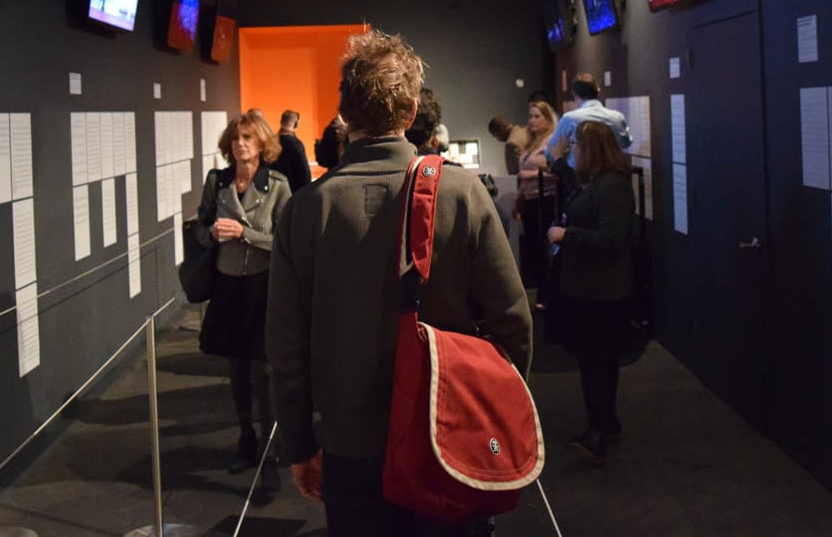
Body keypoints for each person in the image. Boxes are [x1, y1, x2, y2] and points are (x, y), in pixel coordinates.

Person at [267, 30, 531, 535]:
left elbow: (285, 346)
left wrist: (300, 445)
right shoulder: (462, 193)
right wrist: (492, 413)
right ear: (411, 112)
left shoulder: (303, 211)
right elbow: (512, 320)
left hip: (348, 445)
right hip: (449, 433)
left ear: (344, 114)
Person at [192, 110, 292, 493]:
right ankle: (245, 438)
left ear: (262, 143)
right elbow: (199, 227)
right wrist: (212, 235)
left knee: (263, 371)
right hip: (227, 284)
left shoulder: (277, 185)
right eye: (235, 138)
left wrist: (244, 233)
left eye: (248, 138)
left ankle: (270, 450)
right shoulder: (217, 181)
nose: (240, 144)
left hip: (262, 286)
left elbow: (285, 241)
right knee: (236, 367)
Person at [546, 121, 636, 467]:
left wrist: (566, 235)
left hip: (601, 293)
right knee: (599, 361)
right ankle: (606, 424)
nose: (573, 152)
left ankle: (597, 434)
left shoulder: (612, 187)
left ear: (590, 149)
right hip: (592, 289)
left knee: (595, 363)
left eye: (576, 146)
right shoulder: (600, 183)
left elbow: (611, 240)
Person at [513, 101, 558, 303]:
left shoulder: (551, 142)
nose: (532, 120)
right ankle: (542, 291)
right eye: (530, 116)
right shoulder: (532, 143)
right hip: (529, 201)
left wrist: (530, 175)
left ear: (547, 119)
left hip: (545, 200)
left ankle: (548, 294)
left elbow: (557, 173)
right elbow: (523, 177)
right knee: (533, 248)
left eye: (537, 116)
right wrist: (517, 200)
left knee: (543, 248)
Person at [546, 72, 632, 169]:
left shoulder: (569, 118)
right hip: (612, 172)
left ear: (574, 94)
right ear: (598, 91)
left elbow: (551, 152)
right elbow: (626, 144)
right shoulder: (617, 117)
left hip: (578, 174)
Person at [270, 109, 312, 192]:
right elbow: (304, 173)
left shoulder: (271, 142)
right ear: (296, 124)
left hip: (273, 189)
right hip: (293, 191)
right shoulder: (296, 144)